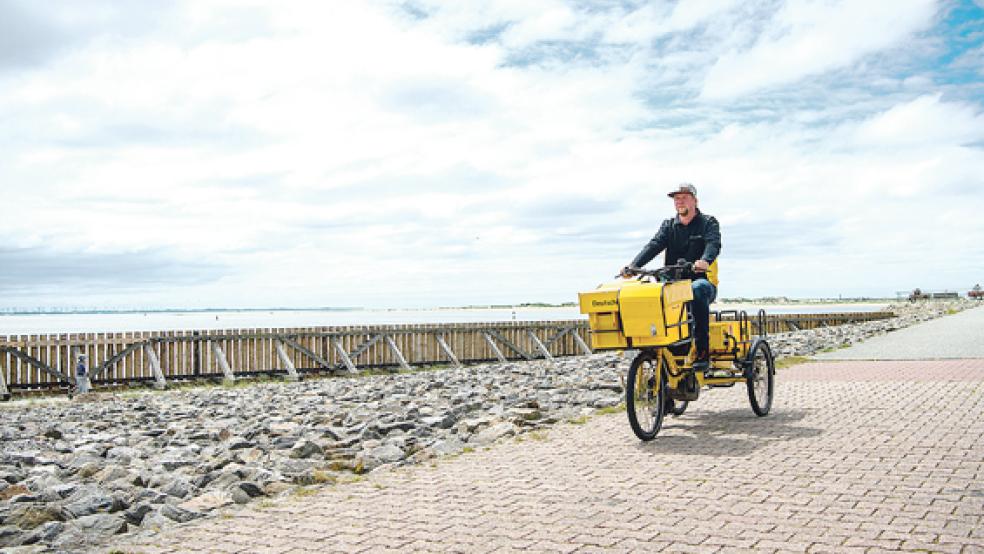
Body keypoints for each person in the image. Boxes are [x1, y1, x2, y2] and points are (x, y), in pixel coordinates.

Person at [621, 183, 721, 370]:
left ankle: (702, 351)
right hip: (673, 283)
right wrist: (633, 266)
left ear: (694, 200)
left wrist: (705, 261)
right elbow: (653, 245)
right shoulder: (668, 226)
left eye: (684, 197)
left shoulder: (708, 223)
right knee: (649, 292)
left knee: (696, 289)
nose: (679, 201)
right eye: (676, 198)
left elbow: (713, 244)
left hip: (701, 282)